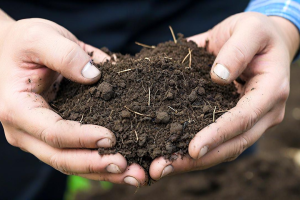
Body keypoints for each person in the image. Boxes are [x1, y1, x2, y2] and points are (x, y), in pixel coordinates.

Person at [0, 0, 299, 199]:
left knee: (220, 160)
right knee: (23, 172)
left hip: (210, 14)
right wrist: (4, 36)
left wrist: (281, 18)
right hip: (33, 25)